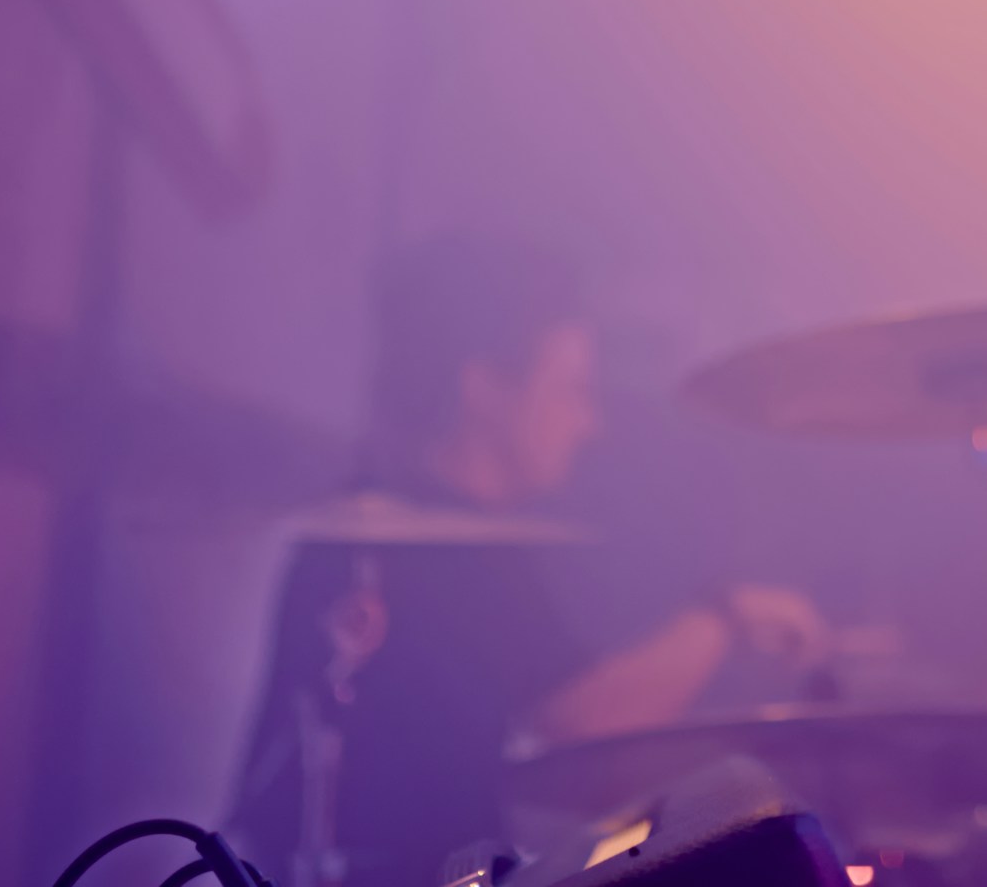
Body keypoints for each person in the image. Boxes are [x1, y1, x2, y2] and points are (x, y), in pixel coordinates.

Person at [228, 239, 824, 886]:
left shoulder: (418, 547)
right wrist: (727, 618)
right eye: (571, 391)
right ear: (484, 391)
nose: (588, 423)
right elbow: (592, 729)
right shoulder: (440, 561)